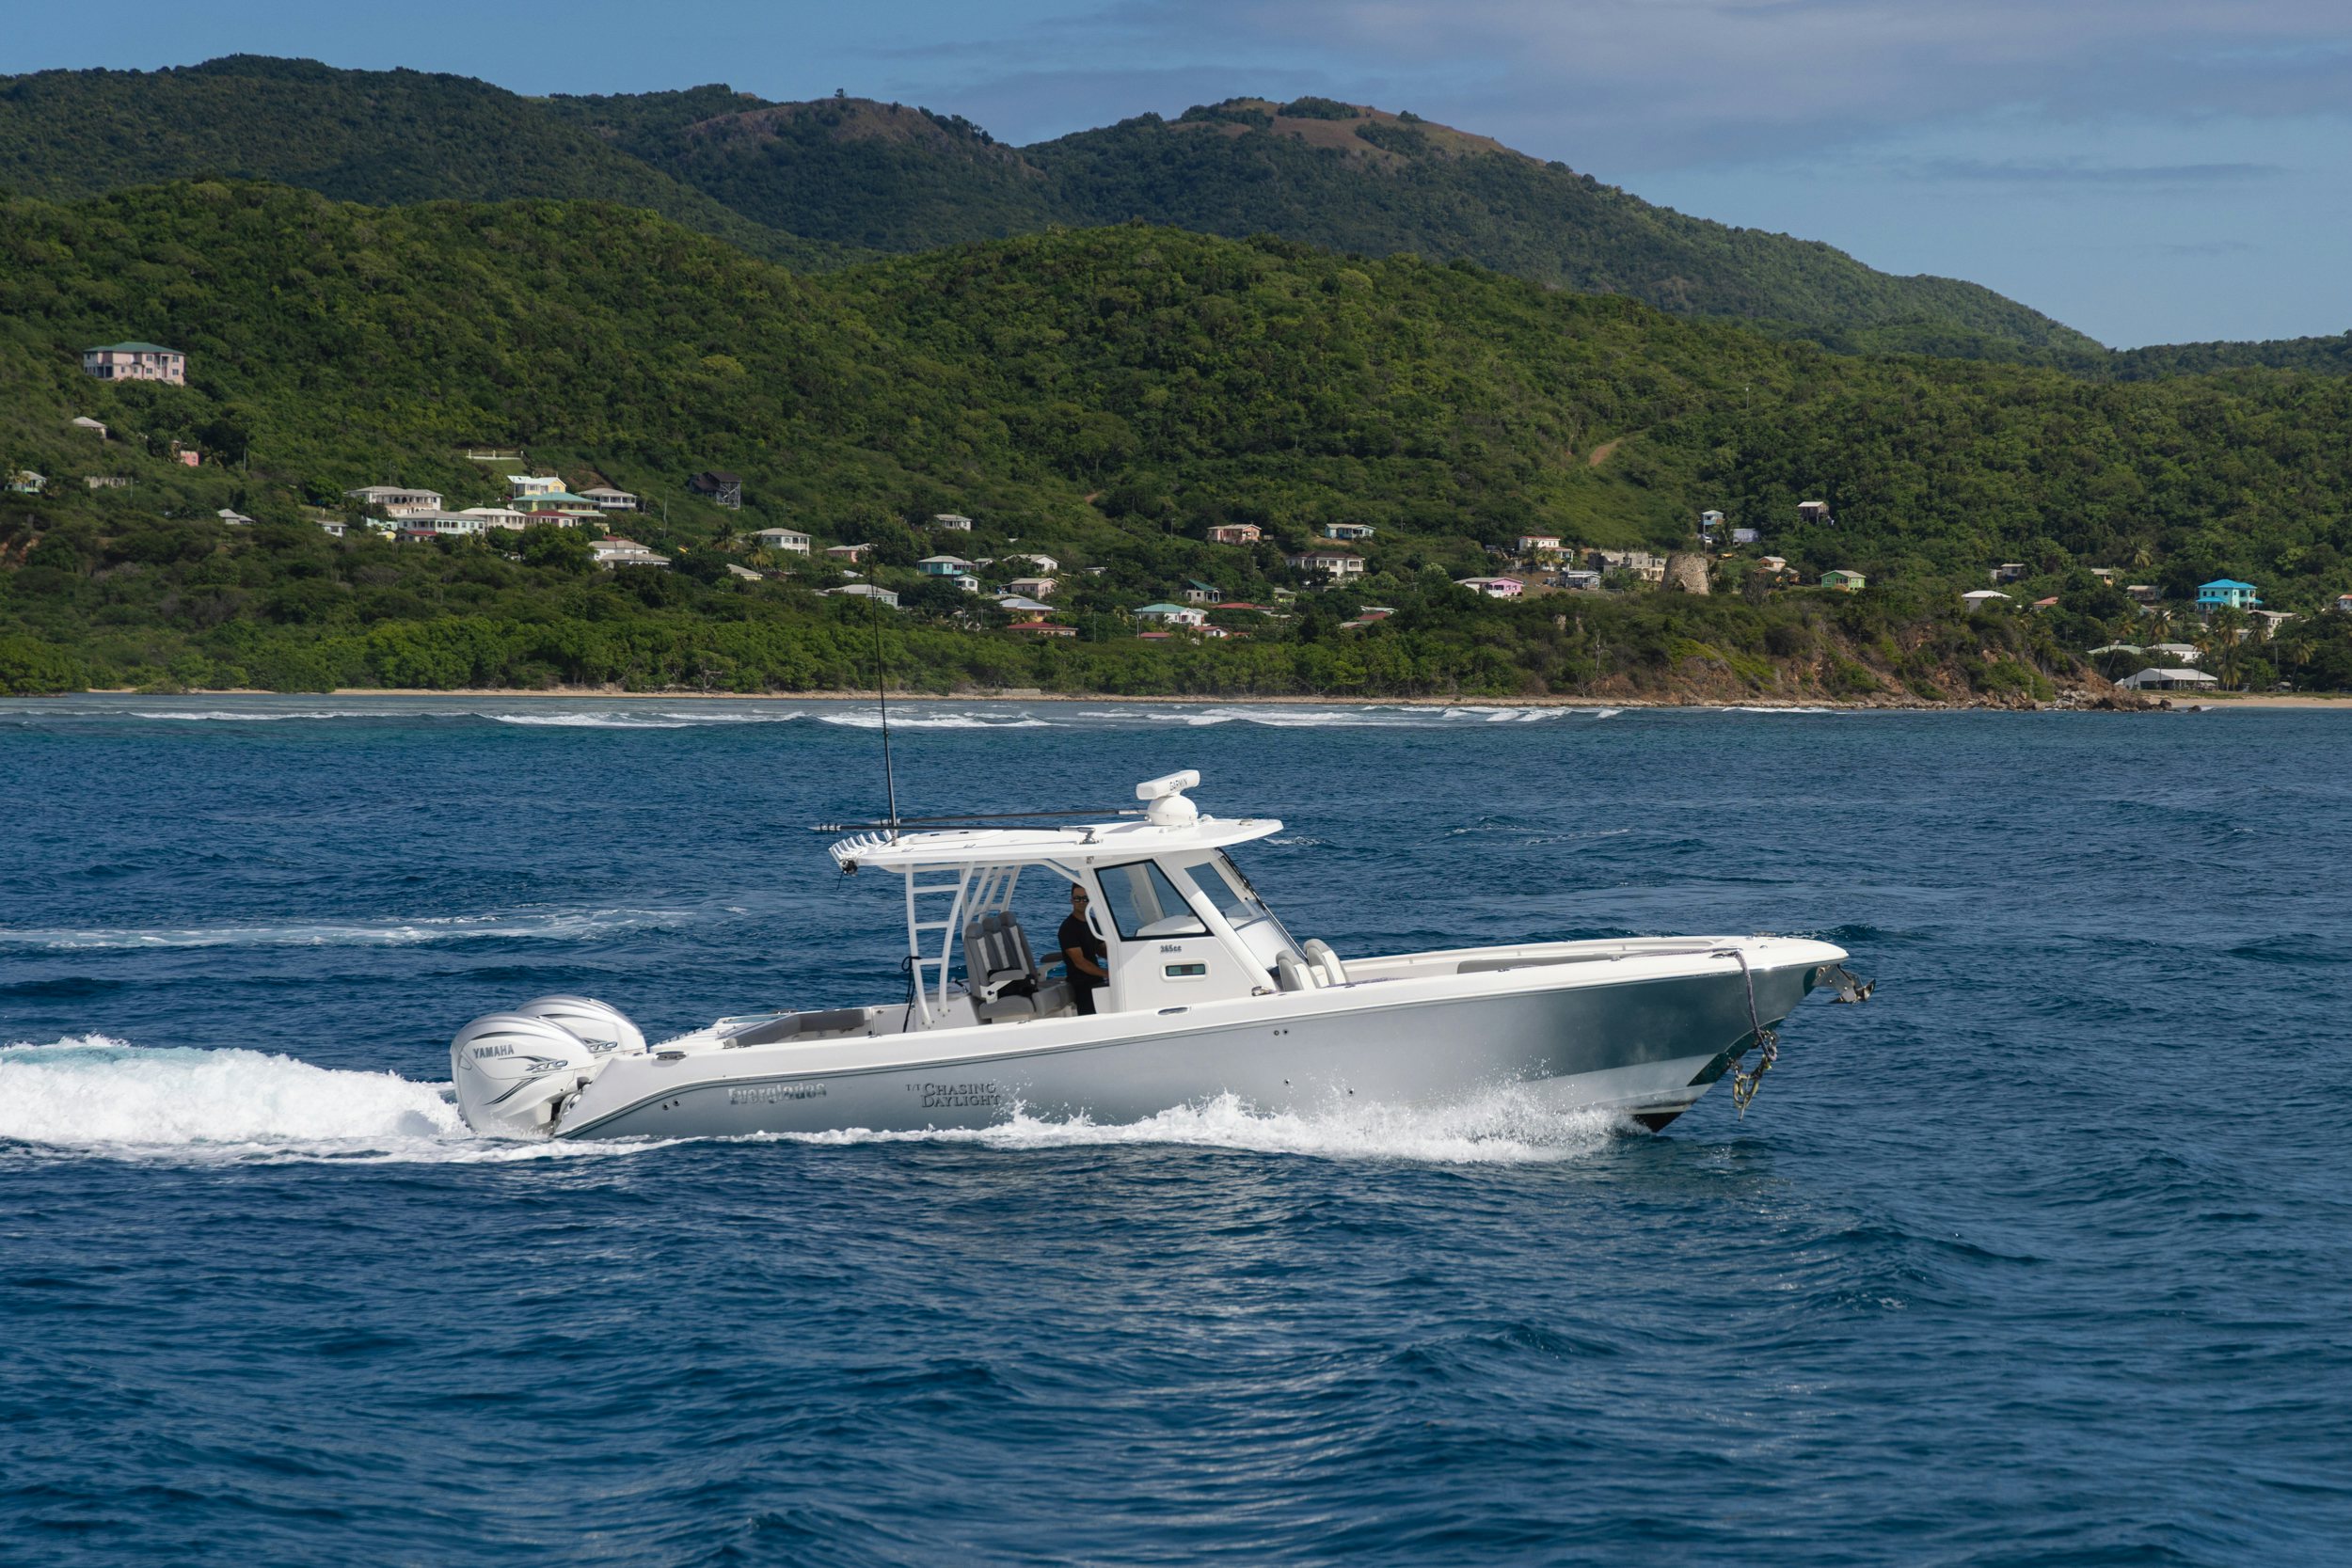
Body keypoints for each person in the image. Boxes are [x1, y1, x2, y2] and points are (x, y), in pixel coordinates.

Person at [1058, 882, 1110, 1015]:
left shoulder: (1093, 923)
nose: (1081, 902)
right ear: (1071, 900)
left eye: (1085, 898)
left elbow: (1101, 949)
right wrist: (1106, 973)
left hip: (1096, 978)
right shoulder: (1068, 928)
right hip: (1080, 982)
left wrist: (1120, 961)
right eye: (1077, 898)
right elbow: (1080, 962)